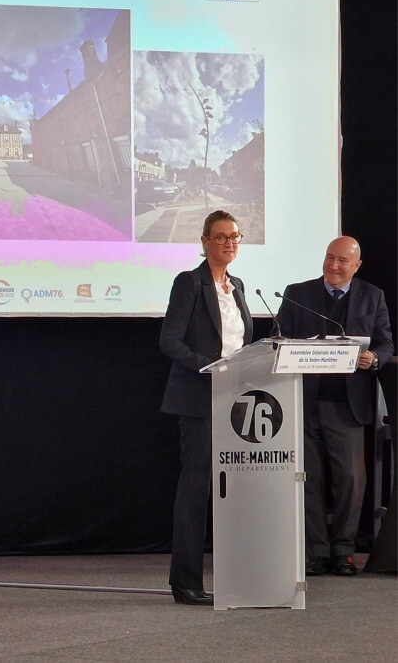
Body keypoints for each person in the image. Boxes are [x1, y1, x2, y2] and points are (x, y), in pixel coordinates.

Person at [276, 236, 394, 576]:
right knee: (308, 479)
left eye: (343, 261)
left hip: (347, 406)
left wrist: (374, 358)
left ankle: (343, 551)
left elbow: (386, 342)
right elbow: (278, 338)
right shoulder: (297, 294)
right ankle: (317, 552)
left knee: (350, 480)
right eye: (330, 257)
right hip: (304, 401)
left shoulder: (372, 296)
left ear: (356, 266)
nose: (334, 265)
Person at [159, 210, 252, 606]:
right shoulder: (189, 283)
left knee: (233, 490)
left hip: (236, 400)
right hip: (199, 398)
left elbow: (240, 344)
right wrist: (208, 367)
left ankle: (240, 575)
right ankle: (185, 581)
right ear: (205, 242)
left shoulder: (239, 286)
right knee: (196, 490)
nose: (229, 243)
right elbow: (169, 340)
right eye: (220, 237)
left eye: (234, 236)